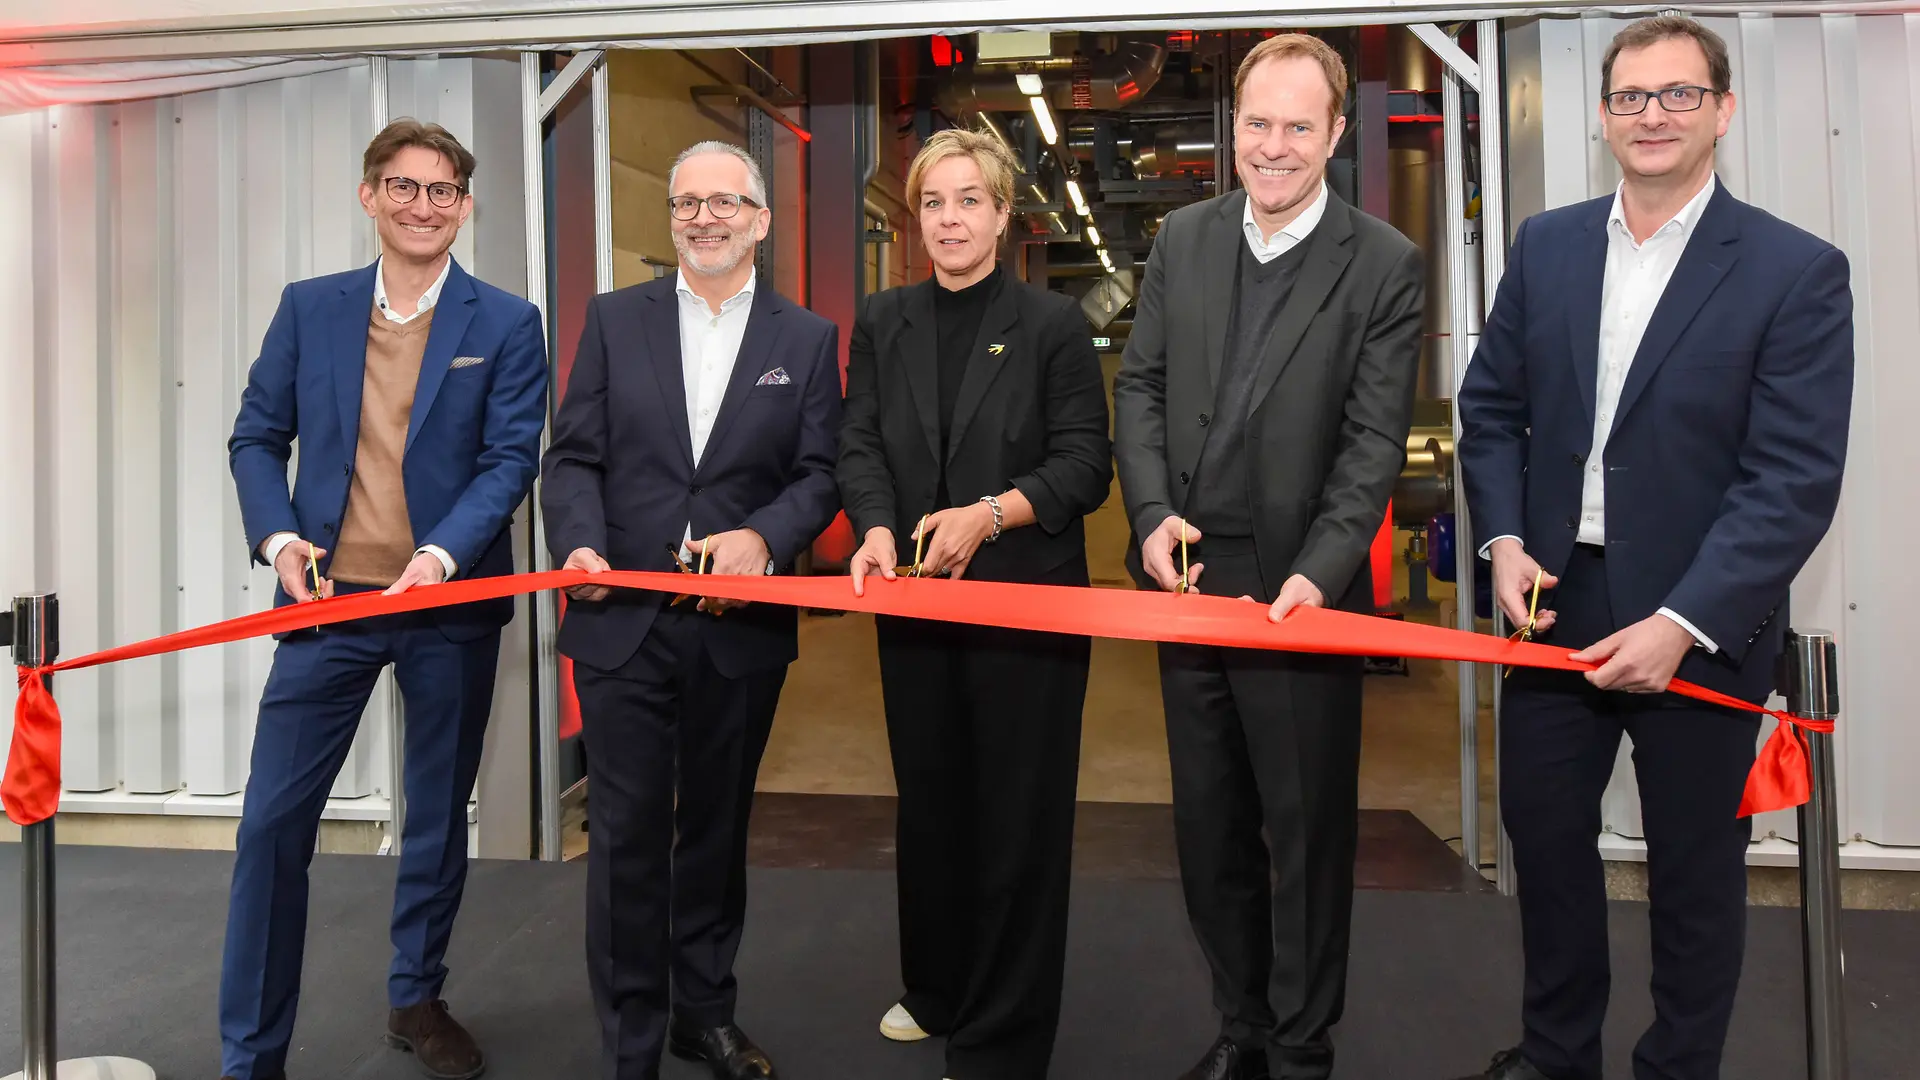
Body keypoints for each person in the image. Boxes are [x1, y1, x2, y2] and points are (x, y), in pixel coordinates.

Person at [1451, 15, 1853, 1080]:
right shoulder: (1547, 246)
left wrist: (1682, 623)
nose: (1653, 115)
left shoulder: (1794, 271)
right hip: (1554, 607)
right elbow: (1490, 413)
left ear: (1724, 111)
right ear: (1603, 116)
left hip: (1701, 622)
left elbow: (1792, 480)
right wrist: (1501, 537)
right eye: (1631, 96)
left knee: (1694, 870)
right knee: (1546, 847)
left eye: (1679, 94)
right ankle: (1556, 1055)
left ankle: (1678, 1066)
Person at [1111, 33, 1424, 1080]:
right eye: (1258, 123)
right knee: (1210, 828)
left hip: (1300, 592)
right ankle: (1240, 1028)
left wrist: (1323, 570)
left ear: (1335, 134)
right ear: (1232, 128)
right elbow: (1141, 386)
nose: (1274, 145)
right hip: (1188, 576)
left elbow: (1372, 442)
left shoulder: (1382, 263)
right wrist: (1150, 513)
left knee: (1304, 832)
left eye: (1298, 125)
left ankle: (1300, 1047)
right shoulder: (1185, 238)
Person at [221, 119, 548, 1080]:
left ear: (465, 207)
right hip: (326, 606)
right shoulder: (310, 307)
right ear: (369, 196)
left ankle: (417, 997)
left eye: (443, 191)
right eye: (403, 186)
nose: (422, 206)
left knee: (438, 817)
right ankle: (251, 1057)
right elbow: (256, 437)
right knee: (271, 828)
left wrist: (443, 556)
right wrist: (278, 538)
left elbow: (508, 460)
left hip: (448, 606)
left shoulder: (507, 322)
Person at [540, 140, 842, 1080]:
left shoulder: (805, 339)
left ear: (761, 220)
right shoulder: (614, 320)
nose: (704, 218)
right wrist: (578, 543)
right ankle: (630, 1044)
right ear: (671, 218)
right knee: (626, 838)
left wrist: (766, 538)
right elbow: (573, 456)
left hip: (736, 629)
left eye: (725, 203)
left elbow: (820, 473)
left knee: (715, 829)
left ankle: (704, 1014)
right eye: (686, 204)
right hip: (622, 617)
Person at [836, 127, 1112, 1080]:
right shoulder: (884, 320)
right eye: (932, 203)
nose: (949, 219)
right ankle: (937, 989)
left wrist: (991, 515)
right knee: (932, 803)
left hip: (1029, 611)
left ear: (1002, 215)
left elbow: (1085, 464)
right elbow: (859, 442)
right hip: (916, 608)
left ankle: (1003, 1032)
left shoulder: (1054, 325)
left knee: (1018, 819)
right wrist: (875, 526)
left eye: (968, 201)